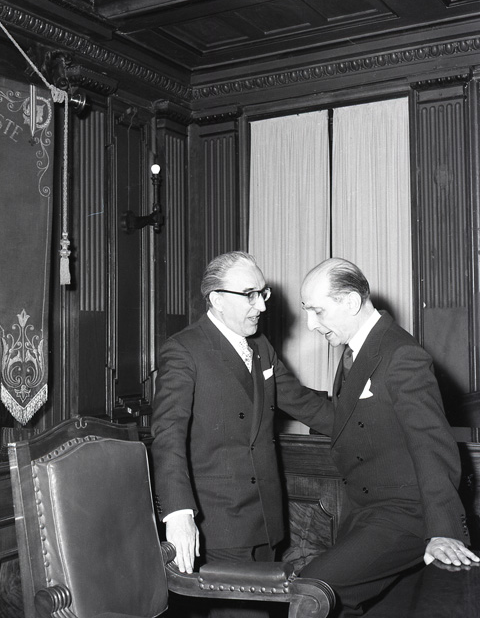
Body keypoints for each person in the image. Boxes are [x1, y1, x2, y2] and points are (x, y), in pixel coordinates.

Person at [295, 257, 479, 616]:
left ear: (351, 302)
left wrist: (444, 530)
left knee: (312, 589)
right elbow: (346, 418)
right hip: (365, 514)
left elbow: (431, 443)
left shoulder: (401, 353)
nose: (310, 324)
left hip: (405, 516)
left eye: (317, 311)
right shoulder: (356, 349)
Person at [150, 251, 328, 617]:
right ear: (216, 299)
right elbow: (168, 434)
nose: (261, 305)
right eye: (250, 295)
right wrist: (178, 514)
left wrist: (370, 420)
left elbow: (304, 403)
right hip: (220, 524)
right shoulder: (184, 349)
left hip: (266, 518)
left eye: (263, 293)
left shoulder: (261, 346)